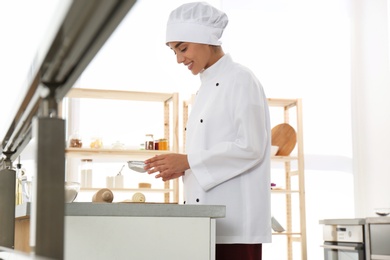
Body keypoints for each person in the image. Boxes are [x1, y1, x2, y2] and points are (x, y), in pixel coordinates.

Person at [144, 2, 271, 259]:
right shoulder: (204, 89)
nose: (179, 59)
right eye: (173, 52)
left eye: (183, 48)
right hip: (207, 222)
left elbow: (251, 146)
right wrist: (184, 166)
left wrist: (189, 160)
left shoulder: (240, 79)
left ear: (207, 39)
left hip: (236, 224)